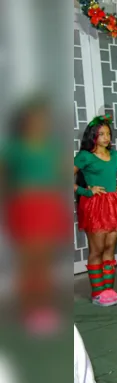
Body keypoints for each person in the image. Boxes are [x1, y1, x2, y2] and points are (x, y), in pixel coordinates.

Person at [1, 99, 68, 333]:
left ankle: (43, 309)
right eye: (35, 118)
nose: (40, 123)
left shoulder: (52, 146)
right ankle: (27, 309)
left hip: (48, 206)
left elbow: (61, 175)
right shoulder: (13, 148)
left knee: (46, 260)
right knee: (28, 260)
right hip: (24, 207)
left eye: (43, 118)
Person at [74, 115, 117, 306]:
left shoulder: (115, 154)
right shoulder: (84, 156)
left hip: (113, 204)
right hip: (94, 206)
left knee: (110, 248)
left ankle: (108, 290)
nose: (106, 137)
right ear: (93, 136)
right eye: (101, 134)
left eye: (108, 134)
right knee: (97, 249)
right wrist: (86, 190)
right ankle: (97, 293)